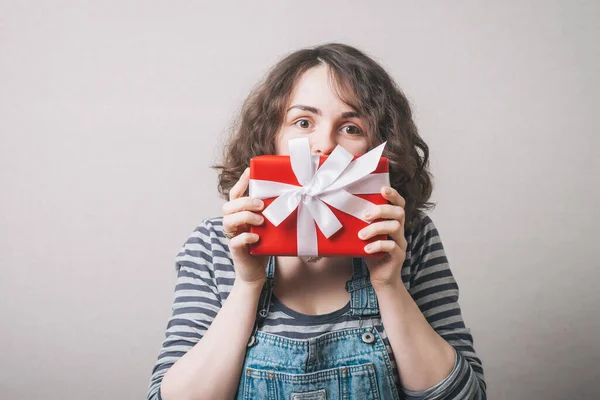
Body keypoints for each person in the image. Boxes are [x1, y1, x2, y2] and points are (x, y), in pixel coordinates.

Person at [146, 43, 486, 400]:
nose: (324, 144)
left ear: (376, 147)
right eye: (303, 122)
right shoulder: (214, 244)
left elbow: (467, 396)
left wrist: (389, 285)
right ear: (271, 137)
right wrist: (248, 283)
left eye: (352, 128)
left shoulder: (409, 239)